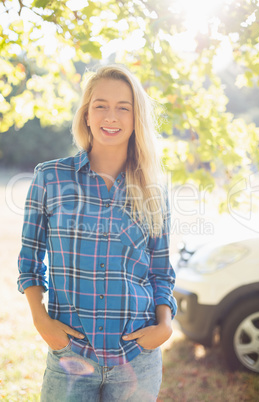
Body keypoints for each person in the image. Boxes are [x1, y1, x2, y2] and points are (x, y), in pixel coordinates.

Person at [17, 64, 177, 401]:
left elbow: (161, 272)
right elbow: (29, 261)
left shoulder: (154, 190)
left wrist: (164, 326)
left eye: (124, 107)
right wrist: (41, 321)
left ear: (136, 120)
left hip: (138, 360)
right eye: (100, 105)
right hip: (70, 358)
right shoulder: (50, 178)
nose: (111, 116)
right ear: (86, 115)